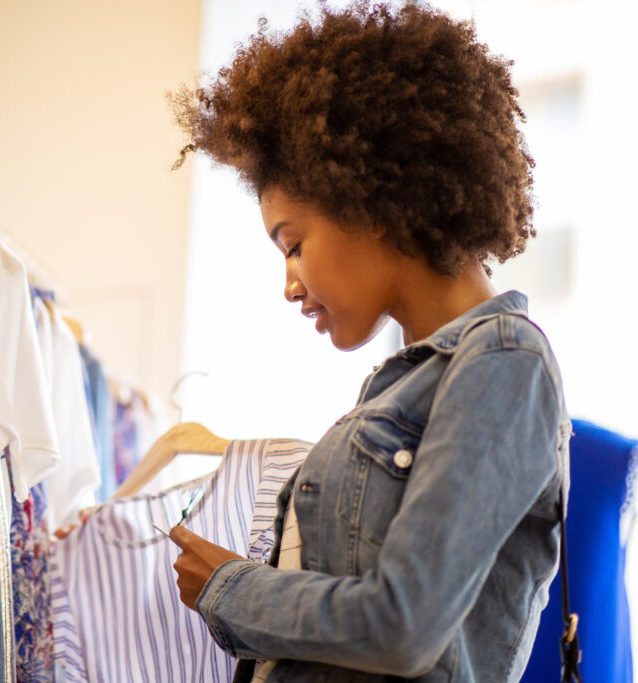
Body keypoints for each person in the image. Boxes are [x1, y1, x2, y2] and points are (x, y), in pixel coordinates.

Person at [166, 3, 571, 681]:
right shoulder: (404, 385)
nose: (289, 285)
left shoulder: (504, 363)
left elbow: (402, 624)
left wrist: (229, 587)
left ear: (371, 196)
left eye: (293, 245)